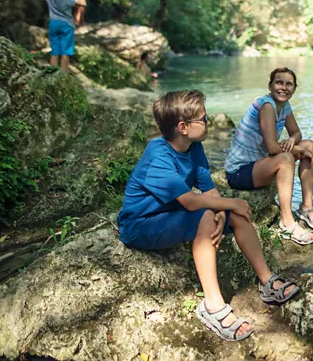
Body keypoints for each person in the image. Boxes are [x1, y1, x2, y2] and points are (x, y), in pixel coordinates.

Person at [117, 90, 299, 341]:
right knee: (208, 213)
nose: (208, 122)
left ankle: (266, 280)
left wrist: (223, 210)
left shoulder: (194, 147)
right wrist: (227, 204)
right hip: (141, 225)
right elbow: (190, 201)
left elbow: (209, 190)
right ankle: (213, 306)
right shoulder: (157, 155)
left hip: (172, 214)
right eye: (202, 119)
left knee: (236, 215)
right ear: (183, 127)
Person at [225, 67, 313, 246]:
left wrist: (291, 141)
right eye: (279, 82)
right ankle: (287, 223)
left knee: (310, 145)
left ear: (294, 89)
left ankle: (306, 208)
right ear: (270, 85)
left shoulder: (284, 106)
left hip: (260, 164)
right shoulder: (267, 106)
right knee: (287, 158)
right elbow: (272, 147)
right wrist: (296, 151)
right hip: (240, 172)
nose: (283, 87)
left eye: (289, 84)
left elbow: (297, 132)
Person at [36, 0, 86, 73]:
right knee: (65, 52)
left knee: (55, 51)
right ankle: (63, 74)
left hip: (53, 23)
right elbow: (83, 3)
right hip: (66, 25)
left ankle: (52, 72)